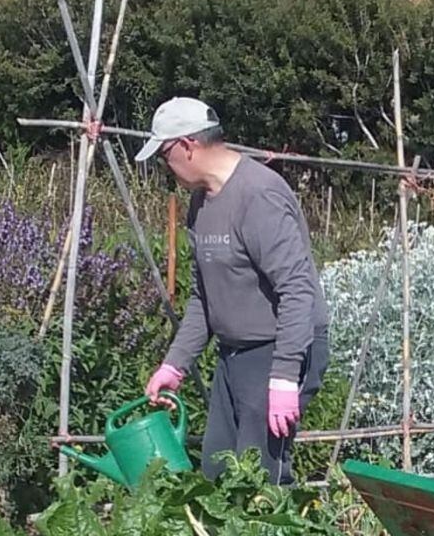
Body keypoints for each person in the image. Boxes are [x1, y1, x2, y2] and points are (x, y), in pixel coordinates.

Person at [135, 97, 329, 485]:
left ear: (187, 146)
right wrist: (176, 364)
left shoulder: (258, 196)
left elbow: (296, 290)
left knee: (259, 481)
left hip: (277, 350)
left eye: (164, 155)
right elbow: (203, 295)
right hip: (234, 356)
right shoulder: (201, 204)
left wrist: (285, 376)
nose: (165, 167)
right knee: (218, 471)